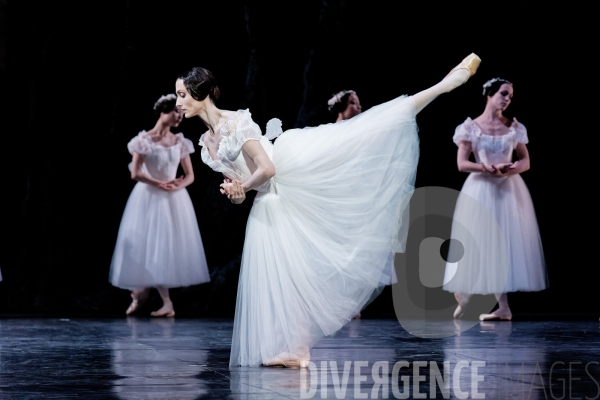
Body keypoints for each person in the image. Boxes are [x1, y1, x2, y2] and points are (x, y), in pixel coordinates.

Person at [175, 53, 481, 367]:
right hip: (270, 201)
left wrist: (245, 187)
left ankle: (443, 85)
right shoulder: (207, 143)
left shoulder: (235, 123)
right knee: (288, 278)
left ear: (202, 94)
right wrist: (236, 192)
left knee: (360, 135)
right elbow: (244, 190)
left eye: (183, 95)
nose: (179, 102)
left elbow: (267, 169)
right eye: (178, 95)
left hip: (291, 174)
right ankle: (297, 349)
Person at [442, 77, 548, 321]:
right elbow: (461, 163)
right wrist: (486, 168)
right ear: (489, 94)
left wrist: (510, 169)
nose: (507, 99)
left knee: (503, 243)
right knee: (478, 241)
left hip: (507, 189)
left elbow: (526, 161)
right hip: (481, 188)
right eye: (503, 93)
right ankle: (467, 292)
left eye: (510, 95)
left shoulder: (514, 127)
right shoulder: (470, 127)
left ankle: (503, 307)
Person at [109, 94, 210, 318]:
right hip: (148, 197)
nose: (180, 117)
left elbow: (190, 175)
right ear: (164, 111)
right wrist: (158, 183)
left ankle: (145, 295)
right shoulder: (143, 141)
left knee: (163, 248)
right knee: (147, 248)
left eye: (182, 114)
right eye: (177, 112)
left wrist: (176, 185)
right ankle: (151, 296)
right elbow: (135, 173)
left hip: (173, 199)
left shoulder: (180, 141)